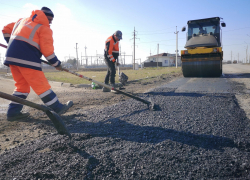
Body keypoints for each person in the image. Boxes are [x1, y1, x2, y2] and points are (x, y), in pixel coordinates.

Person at [2, 7, 73, 121]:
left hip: (11, 58)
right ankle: (57, 107)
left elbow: (5, 29)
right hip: (27, 59)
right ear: (46, 18)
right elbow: (48, 52)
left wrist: (12, 44)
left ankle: (13, 113)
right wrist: (57, 64)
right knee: (41, 85)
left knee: (22, 86)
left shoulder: (22, 21)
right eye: (50, 20)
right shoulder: (44, 28)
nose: (50, 23)